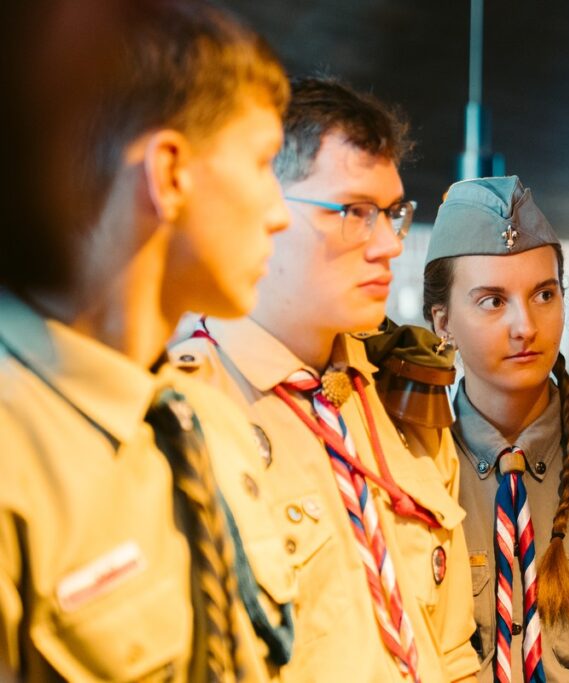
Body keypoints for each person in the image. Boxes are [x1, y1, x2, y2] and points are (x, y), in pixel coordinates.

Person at [0, 1, 296, 680]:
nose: (279, 213)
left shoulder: (204, 422)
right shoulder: (14, 454)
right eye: (263, 161)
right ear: (169, 174)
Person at [168, 77, 479, 682]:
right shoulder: (190, 409)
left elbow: (451, 644)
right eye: (356, 212)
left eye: (393, 213)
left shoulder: (401, 396)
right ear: (262, 205)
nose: (390, 244)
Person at [423, 176, 569, 682]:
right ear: (443, 323)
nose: (525, 325)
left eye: (544, 294)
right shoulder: (408, 479)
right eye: (492, 301)